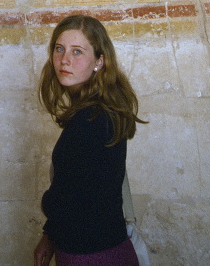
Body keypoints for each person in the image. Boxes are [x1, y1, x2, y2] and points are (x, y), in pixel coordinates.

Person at [34, 14, 146, 266]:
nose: (65, 60)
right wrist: (49, 234)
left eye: (77, 51)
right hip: (99, 248)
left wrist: (49, 203)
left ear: (99, 61)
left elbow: (70, 201)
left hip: (92, 255)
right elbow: (79, 189)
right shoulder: (97, 110)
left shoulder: (92, 119)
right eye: (59, 49)